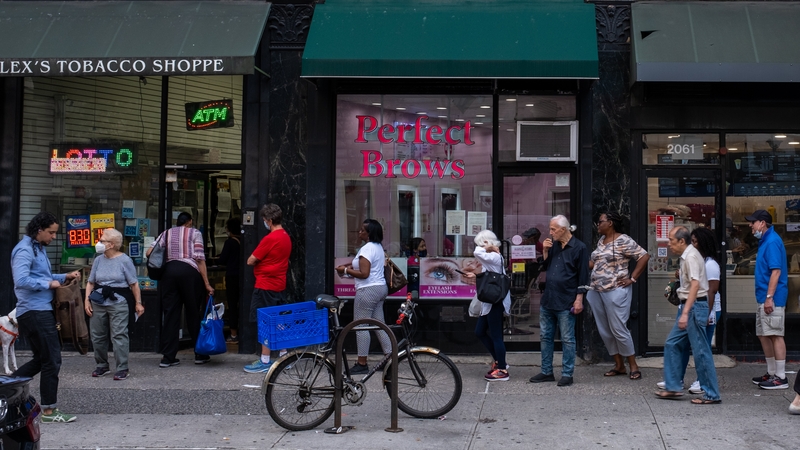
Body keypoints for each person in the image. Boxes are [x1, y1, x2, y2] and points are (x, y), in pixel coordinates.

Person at [11, 211, 81, 423]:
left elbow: (41, 275)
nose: (53, 237)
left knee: (42, 359)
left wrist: (63, 277)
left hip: (39, 310)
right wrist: (48, 284)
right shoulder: (24, 250)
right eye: (50, 233)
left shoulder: (37, 248)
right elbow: (21, 280)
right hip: (34, 312)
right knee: (52, 359)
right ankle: (50, 411)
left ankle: (6, 390)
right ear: (39, 230)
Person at [656, 226, 721, 404]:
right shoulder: (688, 256)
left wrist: (685, 312)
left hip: (693, 307)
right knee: (672, 344)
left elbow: (695, 285)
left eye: (671, 240)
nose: (669, 244)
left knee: (701, 352)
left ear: (682, 241)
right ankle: (673, 387)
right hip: (691, 307)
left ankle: (711, 394)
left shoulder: (691, 256)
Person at [586, 212, 649, 380]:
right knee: (605, 330)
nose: (597, 224)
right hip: (596, 290)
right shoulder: (601, 241)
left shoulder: (623, 240)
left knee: (619, 329)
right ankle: (619, 365)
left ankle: (633, 365)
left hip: (615, 290)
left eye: (600, 221)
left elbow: (644, 256)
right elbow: (595, 263)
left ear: (611, 223)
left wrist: (632, 278)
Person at [147, 212, 214, 368]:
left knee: (170, 314)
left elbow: (149, 252)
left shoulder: (167, 233)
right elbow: (199, 259)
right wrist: (206, 283)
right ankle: (200, 354)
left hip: (169, 274)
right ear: (189, 222)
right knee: (193, 313)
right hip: (190, 273)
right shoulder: (195, 233)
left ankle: (168, 357)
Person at [529, 215, 589, 387]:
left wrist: (579, 299)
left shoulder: (579, 248)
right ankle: (546, 371)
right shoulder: (554, 245)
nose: (550, 232)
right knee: (545, 336)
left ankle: (567, 373)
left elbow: (583, 276)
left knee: (568, 338)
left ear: (563, 230)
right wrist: (546, 251)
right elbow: (545, 267)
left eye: (553, 229)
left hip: (566, 299)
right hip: (549, 298)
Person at [84, 228, 144, 381]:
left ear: (111, 244)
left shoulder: (124, 260)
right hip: (98, 301)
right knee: (97, 335)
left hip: (118, 302)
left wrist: (138, 303)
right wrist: (87, 300)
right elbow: (91, 283)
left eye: (102, 240)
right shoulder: (98, 260)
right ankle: (101, 365)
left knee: (118, 334)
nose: (99, 243)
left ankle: (122, 367)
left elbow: (134, 284)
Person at [335, 219, 392, 375]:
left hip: (368, 290)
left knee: (361, 326)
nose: (359, 232)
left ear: (369, 233)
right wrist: (347, 268)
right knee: (379, 324)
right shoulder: (378, 248)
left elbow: (364, 274)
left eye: (362, 230)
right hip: (380, 289)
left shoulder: (367, 249)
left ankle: (362, 363)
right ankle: (391, 358)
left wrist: (345, 271)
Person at [244, 204, 292, 373]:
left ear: (270, 221)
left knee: (265, 321)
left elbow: (251, 260)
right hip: (279, 284)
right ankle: (284, 356)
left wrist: (259, 263)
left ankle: (265, 360)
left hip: (265, 285)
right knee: (279, 322)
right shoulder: (286, 236)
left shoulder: (270, 238)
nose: (264, 223)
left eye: (264, 220)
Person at [746, 209, 789, 390]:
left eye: (753, 222)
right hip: (764, 296)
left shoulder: (771, 241)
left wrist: (769, 298)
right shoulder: (766, 240)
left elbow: (776, 271)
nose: (750, 225)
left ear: (762, 223)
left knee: (775, 334)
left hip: (772, 297)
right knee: (764, 334)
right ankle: (772, 373)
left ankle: (781, 376)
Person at [466, 230, 510, 381]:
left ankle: (502, 369)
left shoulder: (494, 256)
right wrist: (476, 275)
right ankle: (499, 360)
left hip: (494, 301)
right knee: (479, 331)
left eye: (481, 243)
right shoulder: (493, 257)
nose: (478, 246)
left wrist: (485, 247)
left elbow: (477, 253)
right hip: (489, 302)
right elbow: (490, 276)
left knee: (496, 335)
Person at [215, 217, 241, 343]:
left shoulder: (230, 242)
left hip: (232, 276)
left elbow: (222, 260)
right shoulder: (246, 241)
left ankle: (233, 334)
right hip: (243, 276)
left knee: (232, 304)